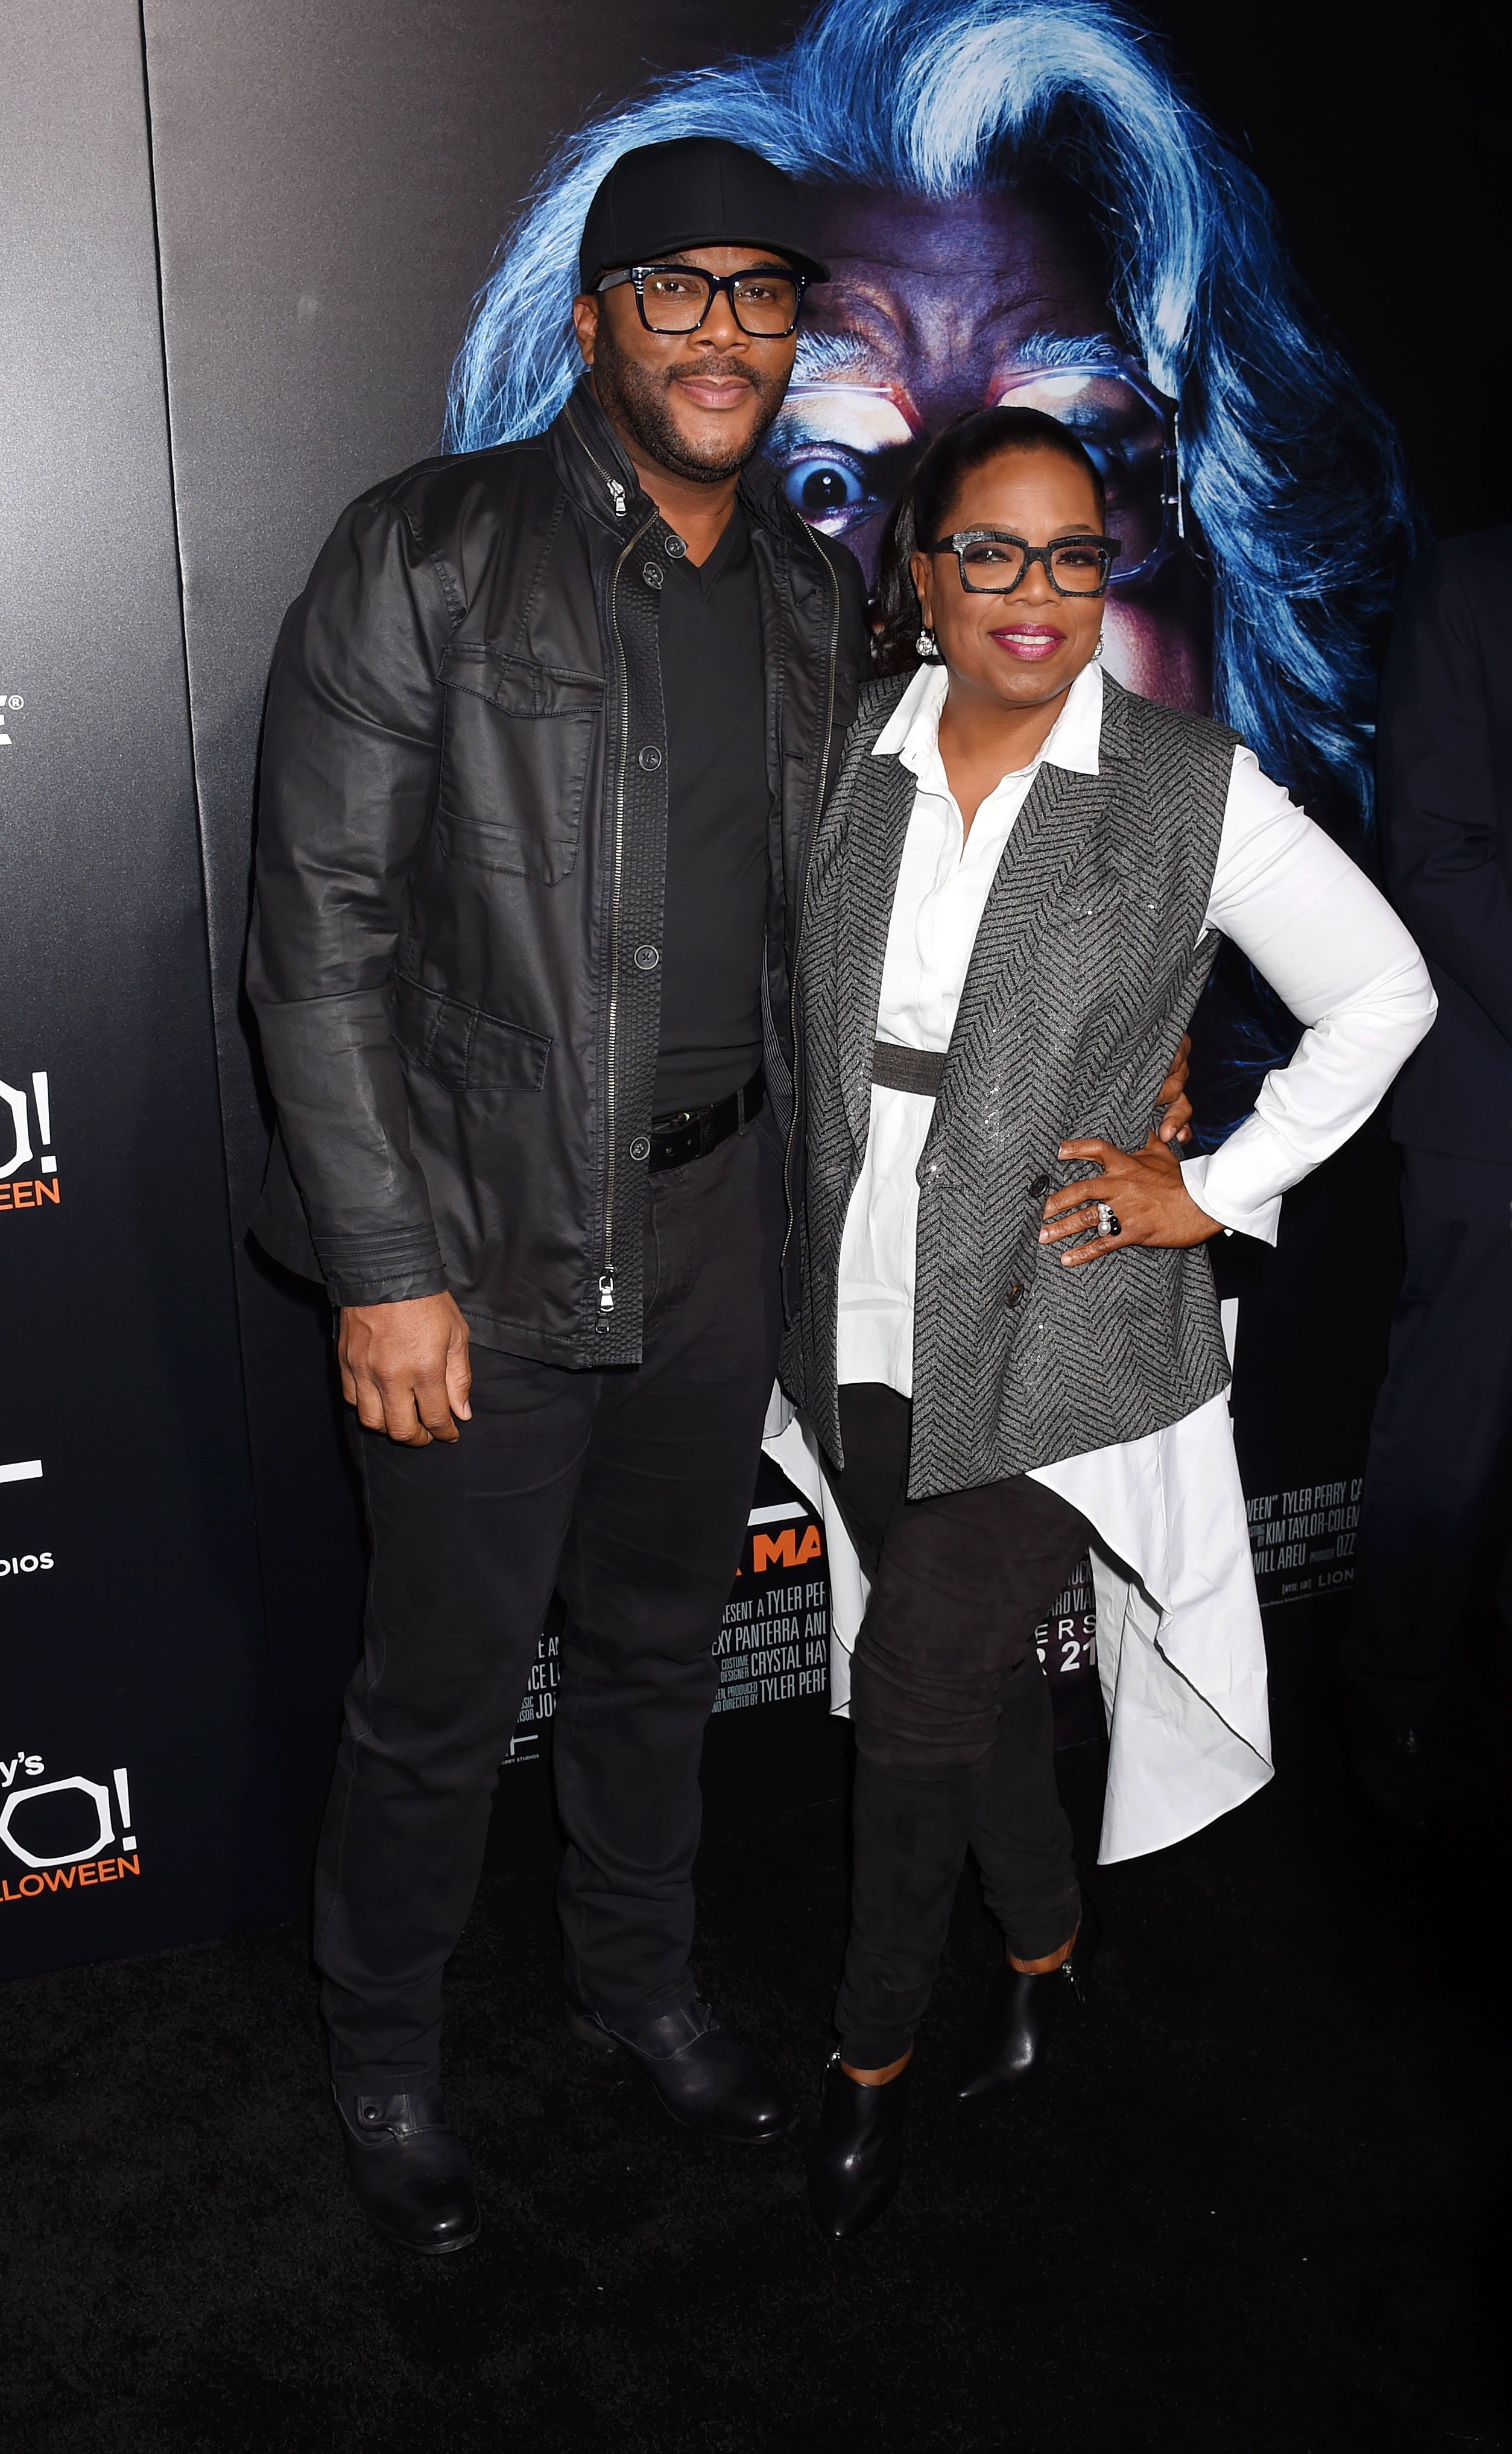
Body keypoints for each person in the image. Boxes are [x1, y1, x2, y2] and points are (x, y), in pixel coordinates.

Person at [244, 135, 877, 2254]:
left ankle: (634, 1982)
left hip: (722, 1220)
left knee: (653, 1652)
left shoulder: (807, 594)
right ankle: (388, 2052)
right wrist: (388, 1262)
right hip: (480, 1233)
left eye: (757, 292)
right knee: (435, 1694)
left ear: (792, 332)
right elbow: (316, 933)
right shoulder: (425, 552)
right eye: (672, 288)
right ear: (594, 317)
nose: (719, 329)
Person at [778, 406, 1436, 2240]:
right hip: (856, 1288)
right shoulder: (839, 752)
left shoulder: (1183, 781)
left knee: (912, 1680)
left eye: (1074, 555)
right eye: (988, 550)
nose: (1034, 594)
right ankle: (1049, 1949)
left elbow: (1380, 989)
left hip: (1061, 1314)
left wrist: (1212, 1183)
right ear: (919, 571)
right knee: (956, 1659)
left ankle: (866, 2067)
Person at [445, 0, 1419, 1141]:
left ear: (1239, 559)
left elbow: (1379, 1000)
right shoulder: (679, 1143)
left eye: (1079, 456)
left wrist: (1215, 1187)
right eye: (826, 482)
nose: (974, 580)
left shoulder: (1203, 811)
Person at [1343, 529, 1512, 1826]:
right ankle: (1393, 1695)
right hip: (1491, 1096)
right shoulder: (1470, 585)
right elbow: (1440, 854)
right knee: (1455, 1415)